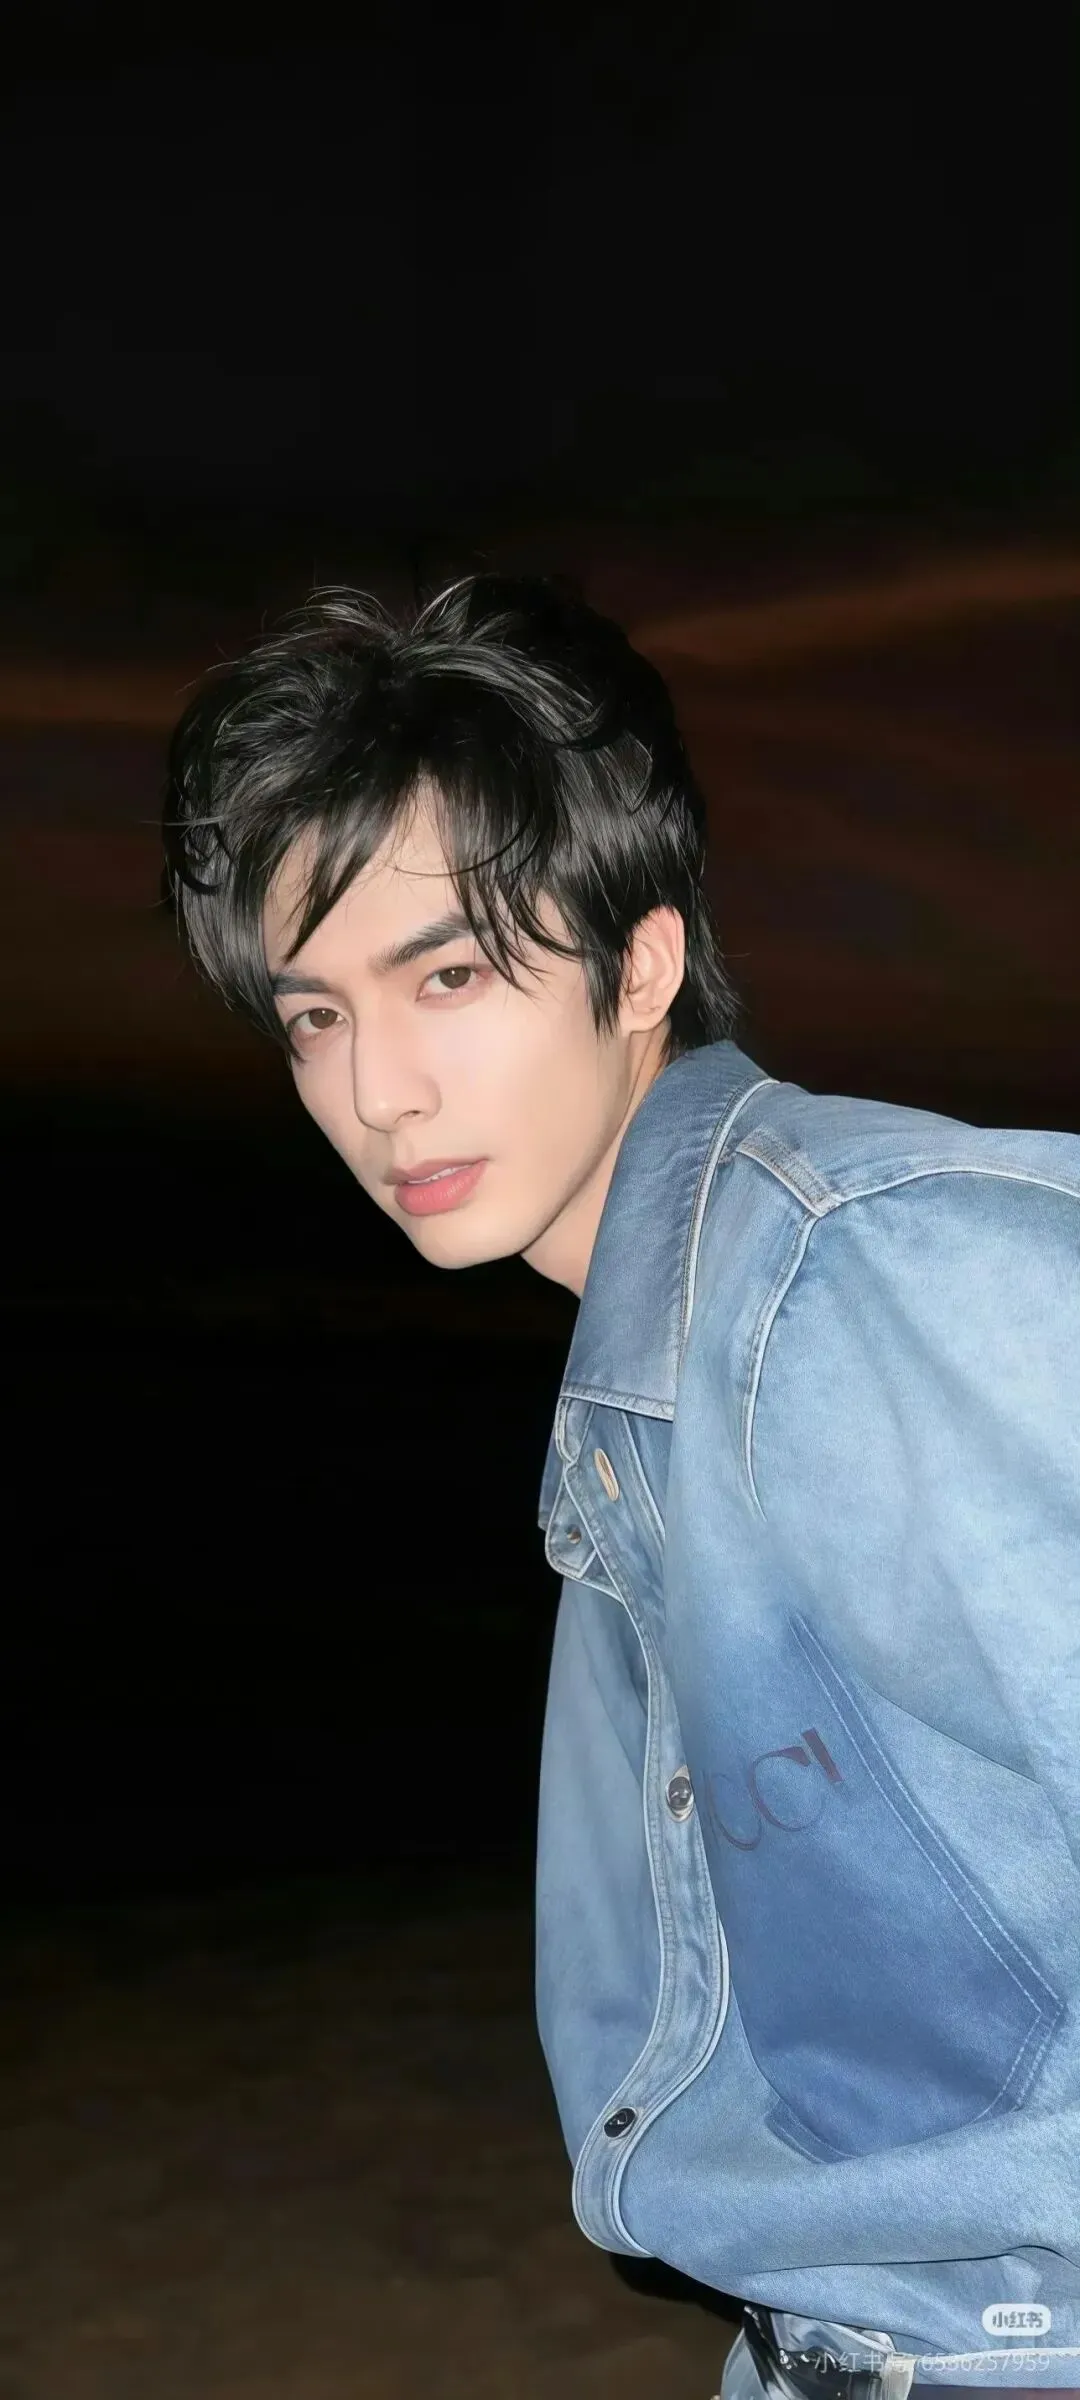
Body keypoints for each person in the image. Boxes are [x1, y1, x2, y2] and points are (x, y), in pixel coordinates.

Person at [162, 574, 1080, 2398]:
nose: (379, 1090)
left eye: (448, 977)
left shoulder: (850, 1278)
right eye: (316, 1015)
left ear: (642, 965)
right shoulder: (652, 1383)